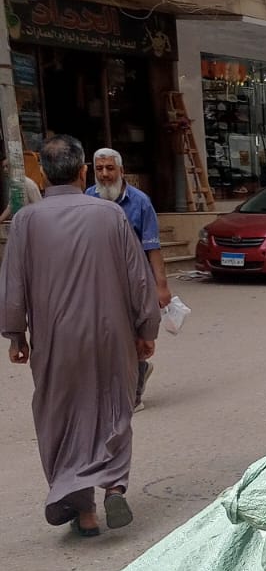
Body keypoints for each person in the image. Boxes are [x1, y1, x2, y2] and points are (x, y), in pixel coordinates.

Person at [1, 134, 159, 536]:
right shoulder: (110, 215)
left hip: (55, 339)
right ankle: (114, 486)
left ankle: (82, 509)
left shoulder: (25, 221)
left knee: (61, 414)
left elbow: (13, 285)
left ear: (43, 173)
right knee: (115, 408)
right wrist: (146, 329)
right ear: (83, 171)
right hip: (112, 334)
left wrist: (16, 335)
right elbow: (138, 279)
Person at [86, 147, 170, 408]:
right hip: (99, 281)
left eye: (110, 168)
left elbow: (152, 247)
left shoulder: (140, 202)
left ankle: (135, 392)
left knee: (136, 337)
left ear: (121, 171)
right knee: (103, 336)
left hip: (134, 281)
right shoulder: (88, 198)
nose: (104, 174)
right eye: (99, 169)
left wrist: (161, 286)